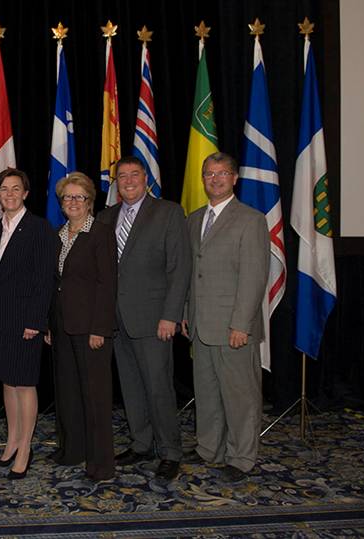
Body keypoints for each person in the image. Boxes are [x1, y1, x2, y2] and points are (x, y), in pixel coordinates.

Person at [96, 156, 191, 482]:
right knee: (132, 387)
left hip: (154, 320)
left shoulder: (168, 212)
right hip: (117, 320)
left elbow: (180, 269)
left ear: (146, 178)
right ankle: (141, 443)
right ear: (116, 183)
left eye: (134, 174)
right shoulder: (106, 218)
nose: (128, 180)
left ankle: (170, 452)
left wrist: (171, 315)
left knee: (158, 387)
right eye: (122, 176)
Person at [182, 152, 270, 483]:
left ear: (234, 178)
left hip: (233, 326)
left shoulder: (251, 220)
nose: (214, 179)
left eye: (222, 173)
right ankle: (209, 448)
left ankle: (241, 456)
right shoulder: (193, 219)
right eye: (208, 174)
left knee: (240, 396)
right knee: (206, 392)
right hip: (201, 324)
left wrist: (241, 325)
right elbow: (193, 273)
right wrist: (185, 312)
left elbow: (254, 277)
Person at [0, 168, 56, 479]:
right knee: (7, 381)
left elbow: (45, 280)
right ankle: (12, 441)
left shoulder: (40, 228)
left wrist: (36, 321)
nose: (10, 194)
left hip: (27, 319)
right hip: (0, 318)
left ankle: (26, 447)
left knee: (25, 383)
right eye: (4, 189)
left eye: (16, 189)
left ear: (26, 193)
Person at [47, 172, 117, 481]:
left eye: (79, 197)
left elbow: (107, 285)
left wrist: (100, 329)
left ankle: (101, 462)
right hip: (62, 328)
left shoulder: (101, 233)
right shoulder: (59, 234)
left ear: (90, 202)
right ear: (61, 203)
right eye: (67, 197)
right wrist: (49, 325)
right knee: (68, 393)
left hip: (91, 329)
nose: (73, 202)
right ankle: (72, 450)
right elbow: (55, 284)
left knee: (95, 397)